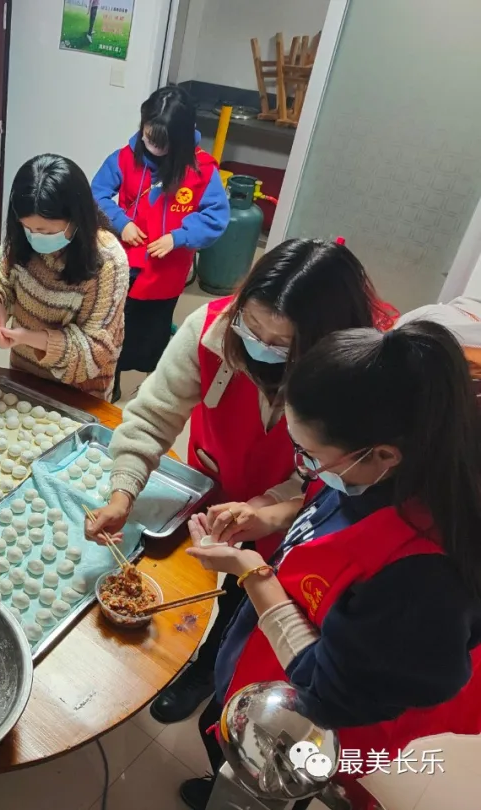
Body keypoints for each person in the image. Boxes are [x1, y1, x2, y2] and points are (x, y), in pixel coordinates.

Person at [86, 239, 396, 725]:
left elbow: (329, 474)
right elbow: (152, 416)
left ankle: (211, 674)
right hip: (217, 487)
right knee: (211, 585)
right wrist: (123, 489)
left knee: (249, 613)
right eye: (251, 327)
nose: (261, 347)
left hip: (296, 517)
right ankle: (202, 663)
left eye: (281, 344)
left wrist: (270, 510)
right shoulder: (209, 329)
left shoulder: (354, 377)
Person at [181, 321, 481, 810]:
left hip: (326, 713)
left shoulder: (425, 581)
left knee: (276, 781)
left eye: (311, 456)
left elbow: (328, 691)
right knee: (220, 736)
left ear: (384, 454)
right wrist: (267, 515)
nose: (305, 467)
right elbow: (321, 502)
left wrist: (252, 573)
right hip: (279, 657)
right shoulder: (395, 461)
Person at [91, 86, 229, 393]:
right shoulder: (125, 158)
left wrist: (178, 237)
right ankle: (108, 384)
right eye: (148, 137)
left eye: (162, 143)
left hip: (165, 271)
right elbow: (96, 193)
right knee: (114, 328)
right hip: (124, 264)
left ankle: (149, 387)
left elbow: (216, 216)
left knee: (152, 334)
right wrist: (121, 223)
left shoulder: (201, 169)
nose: (152, 146)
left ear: (180, 140)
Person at [0, 154, 128, 398]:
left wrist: (32, 338)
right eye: (28, 228)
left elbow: (97, 350)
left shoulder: (107, 261)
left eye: (44, 231)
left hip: (81, 392)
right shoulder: (22, 239)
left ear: (75, 219)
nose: (34, 237)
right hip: (24, 376)